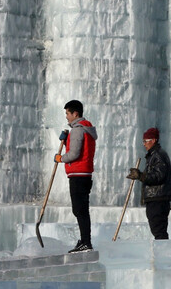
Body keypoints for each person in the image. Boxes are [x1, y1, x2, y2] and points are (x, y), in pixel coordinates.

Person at [55, 99, 98, 253]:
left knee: (79, 210)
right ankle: (85, 240)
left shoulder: (78, 130)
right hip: (84, 174)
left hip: (78, 175)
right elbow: (79, 149)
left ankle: (86, 242)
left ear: (75, 113)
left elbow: (74, 154)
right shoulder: (85, 129)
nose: (66, 116)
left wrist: (60, 158)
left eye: (68, 113)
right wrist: (67, 141)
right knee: (81, 209)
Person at [127, 127, 171, 239]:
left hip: (158, 199)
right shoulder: (154, 155)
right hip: (156, 198)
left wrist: (140, 176)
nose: (144, 144)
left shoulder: (158, 155)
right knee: (158, 230)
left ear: (153, 140)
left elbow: (159, 176)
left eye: (145, 141)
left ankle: (162, 254)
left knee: (159, 231)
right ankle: (161, 253)